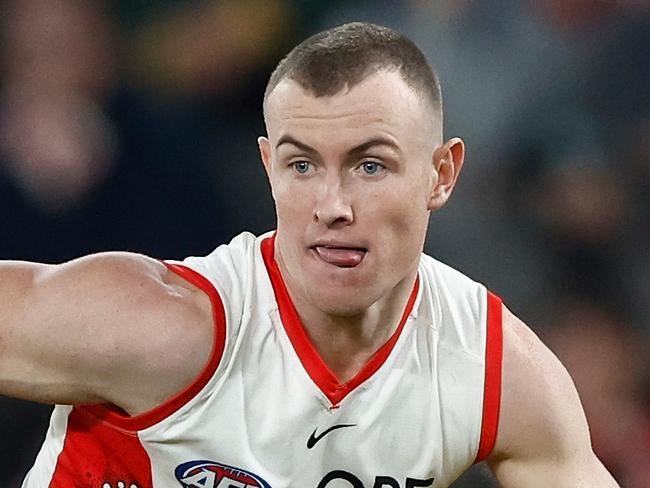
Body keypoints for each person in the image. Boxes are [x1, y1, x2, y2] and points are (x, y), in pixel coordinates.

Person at [0, 22, 618, 488]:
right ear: (268, 169)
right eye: (301, 165)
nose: (332, 205)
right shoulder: (166, 329)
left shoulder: (494, 373)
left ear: (440, 174)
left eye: (369, 165)